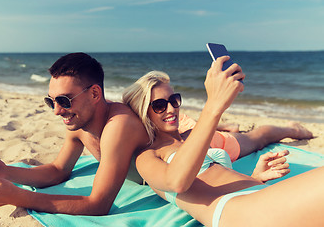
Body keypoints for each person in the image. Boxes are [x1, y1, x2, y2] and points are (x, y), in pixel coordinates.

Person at [122, 57, 322, 227]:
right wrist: (214, 104)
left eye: (174, 100)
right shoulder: (147, 155)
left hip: (256, 198)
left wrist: (255, 178)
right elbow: (176, 182)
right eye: (159, 105)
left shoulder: (188, 138)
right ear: (142, 113)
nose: (171, 109)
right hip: (239, 211)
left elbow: (214, 181)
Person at [0, 53, 150, 215]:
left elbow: (98, 205)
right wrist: (4, 171)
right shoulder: (80, 121)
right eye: (51, 101)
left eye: (64, 100)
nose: (56, 111)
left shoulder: (119, 124)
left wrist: (16, 196)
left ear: (95, 94)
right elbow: (58, 171)